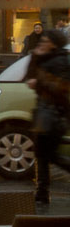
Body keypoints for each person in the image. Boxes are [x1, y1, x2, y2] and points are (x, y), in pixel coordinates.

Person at [25, 30, 70, 208]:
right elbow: (30, 77)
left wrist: (40, 82)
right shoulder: (45, 57)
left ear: (54, 43)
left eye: (45, 40)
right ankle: (41, 194)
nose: (42, 42)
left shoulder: (60, 60)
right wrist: (36, 56)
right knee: (43, 155)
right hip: (44, 113)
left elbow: (61, 87)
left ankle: (42, 193)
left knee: (49, 156)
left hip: (54, 115)